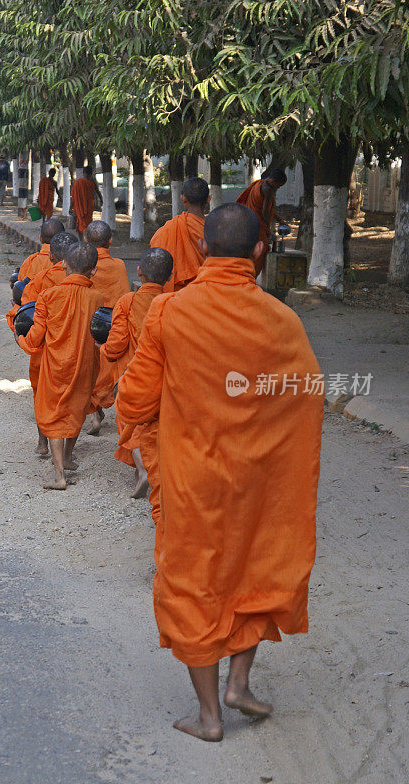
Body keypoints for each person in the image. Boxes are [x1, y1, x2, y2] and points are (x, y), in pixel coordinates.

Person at [116, 203, 324, 743]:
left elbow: (135, 399)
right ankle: (240, 684)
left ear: (203, 249)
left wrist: (143, 434)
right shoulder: (284, 321)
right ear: (260, 251)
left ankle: (210, 716)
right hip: (261, 484)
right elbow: (306, 397)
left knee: (195, 584)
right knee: (253, 571)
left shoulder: (170, 312)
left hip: (195, 482)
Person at [16, 241, 103, 490]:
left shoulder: (49, 295)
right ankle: (68, 456)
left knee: (55, 413)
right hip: (84, 363)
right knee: (76, 407)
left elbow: (35, 337)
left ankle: (59, 475)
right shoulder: (97, 296)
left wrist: (20, 338)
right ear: (94, 272)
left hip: (54, 364)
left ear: (63, 263)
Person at [102, 247, 173, 498]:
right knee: (154, 424)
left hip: (131, 373)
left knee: (130, 424)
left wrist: (106, 352)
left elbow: (118, 342)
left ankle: (143, 470)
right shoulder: (174, 303)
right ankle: (151, 471)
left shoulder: (128, 301)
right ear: (169, 276)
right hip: (164, 375)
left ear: (139, 272)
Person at [18, 231, 77, 457]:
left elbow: (26, 314)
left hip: (46, 351)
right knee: (73, 396)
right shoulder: (90, 283)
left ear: (52, 257)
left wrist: (21, 337)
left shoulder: (41, 280)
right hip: (76, 349)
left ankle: (43, 443)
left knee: (43, 396)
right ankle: (68, 451)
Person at [82, 220, 130, 435]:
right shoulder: (119, 265)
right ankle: (102, 410)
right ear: (110, 241)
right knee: (108, 370)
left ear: (85, 241)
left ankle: (94, 415)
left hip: (89, 325)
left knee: (90, 369)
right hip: (114, 326)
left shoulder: (84, 265)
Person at [149, 177, 209, 292]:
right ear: (208, 199)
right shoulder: (215, 229)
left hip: (177, 297)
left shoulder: (170, 228)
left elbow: (155, 250)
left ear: (183, 199)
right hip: (207, 292)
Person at [5, 218, 65, 331]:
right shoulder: (72, 264)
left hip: (35, 320)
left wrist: (17, 308)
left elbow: (21, 291)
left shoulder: (31, 261)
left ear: (40, 239)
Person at [236, 169, 287, 272]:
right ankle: (251, 276)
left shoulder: (259, 183)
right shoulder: (268, 189)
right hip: (258, 226)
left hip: (248, 223)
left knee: (248, 251)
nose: (278, 188)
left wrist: (279, 219)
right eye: (278, 185)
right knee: (259, 252)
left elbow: (265, 208)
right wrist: (268, 228)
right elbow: (265, 212)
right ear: (273, 181)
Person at [71, 166, 102, 234]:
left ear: (83, 173)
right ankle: (86, 239)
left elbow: (73, 197)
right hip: (89, 206)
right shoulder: (92, 182)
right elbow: (98, 192)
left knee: (80, 222)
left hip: (79, 206)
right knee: (87, 223)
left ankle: (81, 240)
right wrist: (101, 200)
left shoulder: (77, 183)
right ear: (91, 173)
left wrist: (70, 207)